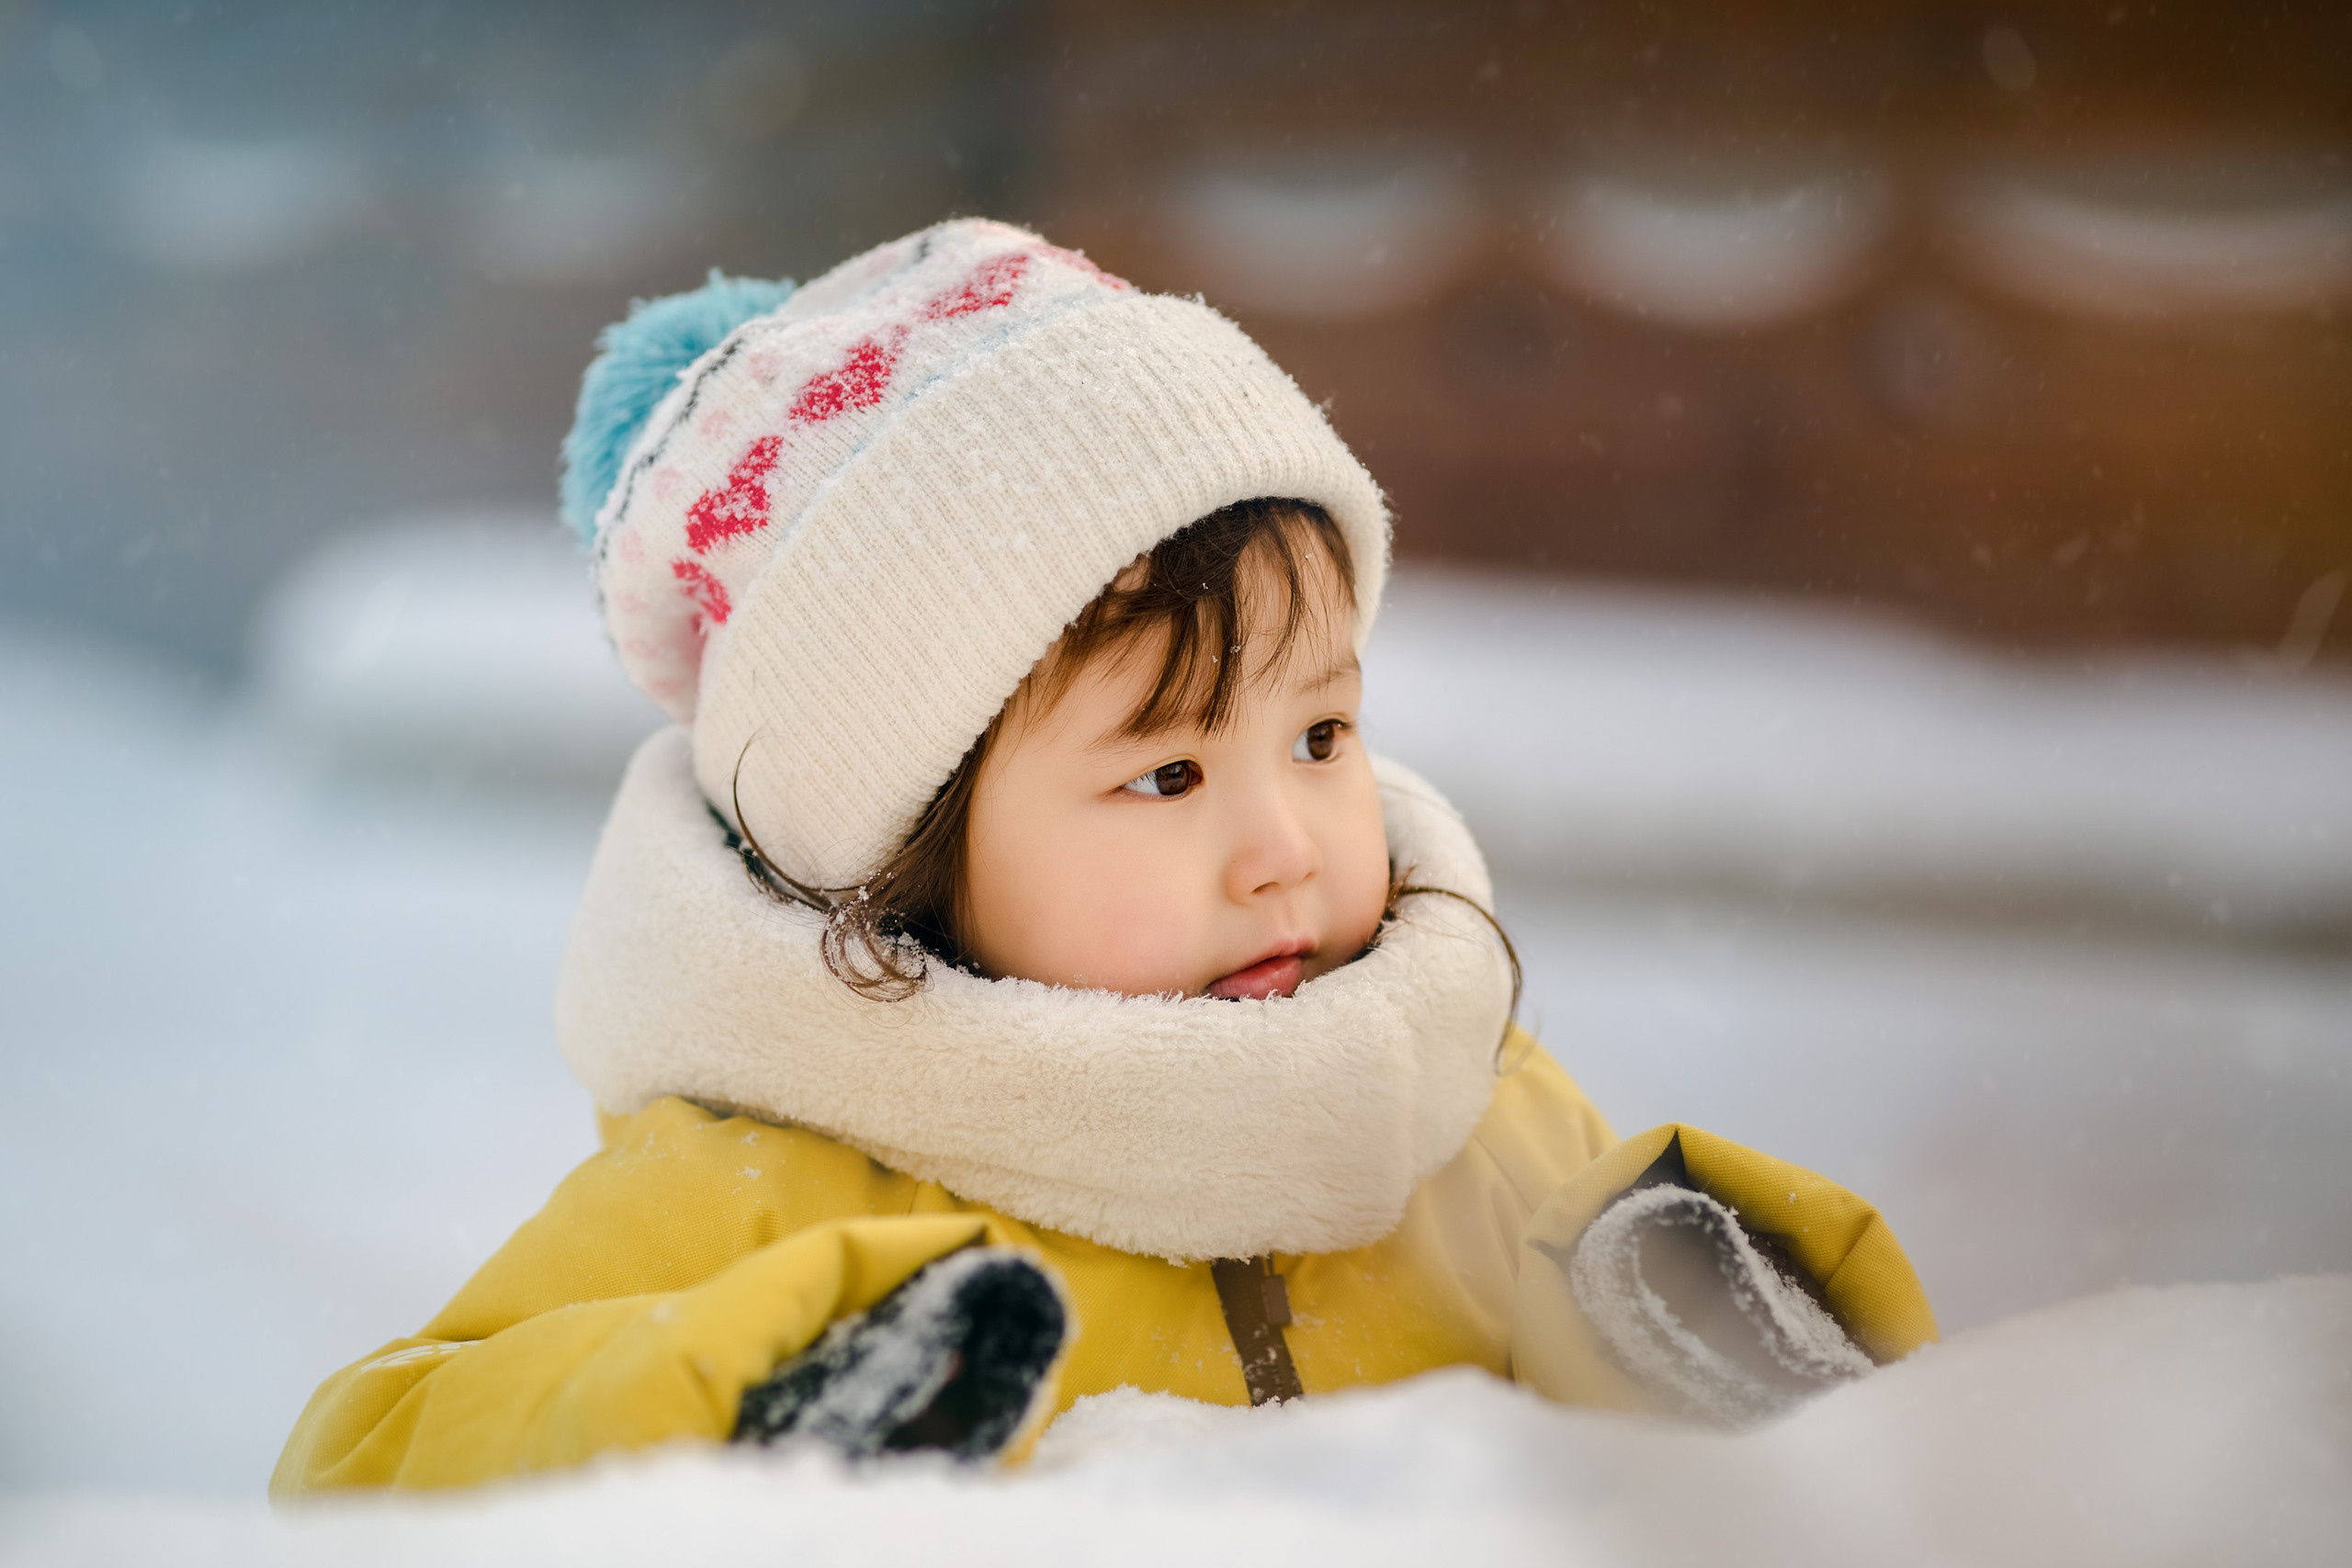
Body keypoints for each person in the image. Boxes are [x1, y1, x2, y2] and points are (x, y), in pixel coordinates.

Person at [273, 220, 1935, 1495]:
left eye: (1321, 736)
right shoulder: (768, 1185)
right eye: (1164, 775)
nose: (1283, 847)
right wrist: (742, 1405)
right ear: (910, 849)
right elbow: (373, 1466)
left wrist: (1685, 1342)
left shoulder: (1456, 1111)